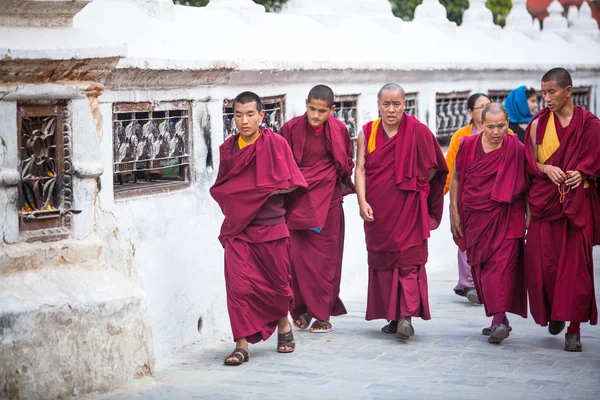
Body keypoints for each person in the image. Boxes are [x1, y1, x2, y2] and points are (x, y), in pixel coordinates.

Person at [210, 91, 308, 365]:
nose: (244, 120)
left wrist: (261, 190)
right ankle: (241, 344)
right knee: (239, 287)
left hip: (272, 227)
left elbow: (294, 183)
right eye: (238, 115)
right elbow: (223, 189)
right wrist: (248, 195)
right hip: (239, 229)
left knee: (276, 287)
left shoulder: (276, 144)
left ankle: (283, 324)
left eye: (250, 114)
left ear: (262, 116)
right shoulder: (229, 150)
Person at [355, 83, 448, 341]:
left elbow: (436, 167)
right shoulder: (368, 132)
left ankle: (406, 316)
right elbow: (360, 168)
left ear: (405, 104)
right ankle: (393, 317)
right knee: (384, 263)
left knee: (408, 261)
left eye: (396, 104)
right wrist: (361, 201)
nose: (391, 109)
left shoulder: (418, 131)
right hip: (379, 208)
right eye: (386, 104)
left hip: (408, 207)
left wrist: (415, 183)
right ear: (378, 104)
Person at [525, 67, 600, 352]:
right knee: (544, 267)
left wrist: (584, 173)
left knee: (576, 270)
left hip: (576, 208)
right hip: (545, 206)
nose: (546, 98)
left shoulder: (590, 124)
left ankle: (574, 329)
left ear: (568, 91)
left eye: (551, 92)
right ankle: (555, 313)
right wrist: (545, 168)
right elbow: (530, 163)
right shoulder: (538, 124)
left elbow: (596, 164)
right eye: (543, 92)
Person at [449, 103, 528, 344]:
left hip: (507, 215)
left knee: (502, 269)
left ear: (507, 124)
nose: (496, 132)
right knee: (481, 269)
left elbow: (527, 183)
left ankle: (498, 319)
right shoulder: (467, 144)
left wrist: (528, 215)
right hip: (475, 216)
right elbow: (456, 177)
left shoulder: (517, 148)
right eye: (491, 126)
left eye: (501, 126)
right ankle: (500, 318)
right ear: (481, 124)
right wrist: (454, 210)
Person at [280, 85, 355, 333]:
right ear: (306, 104)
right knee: (297, 260)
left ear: (331, 110)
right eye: (311, 109)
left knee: (326, 262)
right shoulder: (290, 129)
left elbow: (346, 165)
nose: (315, 115)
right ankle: (301, 310)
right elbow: (282, 165)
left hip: (329, 203)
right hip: (298, 203)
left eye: (321, 111)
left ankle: (322, 315)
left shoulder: (340, 130)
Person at [444, 93, 491, 305]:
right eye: (480, 107)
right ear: (471, 113)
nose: (485, 110)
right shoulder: (461, 136)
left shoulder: (504, 132)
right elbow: (450, 169)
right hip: (466, 197)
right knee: (465, 240)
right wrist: (444, 196)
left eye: (488, 105)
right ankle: (470, 283)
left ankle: (487, 282)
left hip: (494, 199)